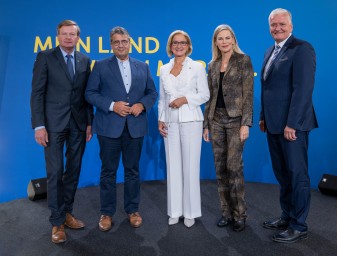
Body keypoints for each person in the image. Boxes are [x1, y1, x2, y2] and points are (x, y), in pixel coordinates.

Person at [85, 26, 157, 231]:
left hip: (135, 128)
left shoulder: (143, 66)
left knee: (132, 171)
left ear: (130, 42)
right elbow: (90, 93)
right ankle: (106, 213)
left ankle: (133, 210)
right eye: (116, 42)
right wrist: (111, 105)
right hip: (109, 127)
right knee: (108, 171)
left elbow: (152, 93)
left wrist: (142, 105)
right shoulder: (100, 66)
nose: (120, 45)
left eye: (124, 41)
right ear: (111, 45)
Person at [30, 20, 93, 244]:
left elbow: (86, 96)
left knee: (73, 171)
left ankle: (67, 212)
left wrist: (89, 122)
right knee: (55, 173)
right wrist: (39, 125)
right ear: (58, 36)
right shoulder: (45, 57)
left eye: (72, 34)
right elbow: (37, 93)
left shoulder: (85, 60)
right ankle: (56, 222)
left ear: (78, 37)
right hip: (52, 125)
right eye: (64, 34)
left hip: (78, 124)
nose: (68, 38)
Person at [260, 8, 318, 243]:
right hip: (273, 125)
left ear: (291, 26)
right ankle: (287, 215)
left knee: (297, 175)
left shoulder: (301, 49)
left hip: (293, 126)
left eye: (282, 24)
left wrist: (292, 123)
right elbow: (268, 89)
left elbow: (303, 89)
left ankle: (299, 224)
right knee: (283, 175)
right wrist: (263, 116)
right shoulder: (269, 51)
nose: (278, 28)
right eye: (274, 25)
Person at [203, 24, 254, 232]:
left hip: (235, 121)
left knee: (234, 167)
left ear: (233, 39)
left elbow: (248, 94)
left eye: (227, 38)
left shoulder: (243, 61)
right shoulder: (212, 65)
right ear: (215, 42)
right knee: (220, 168)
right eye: (220, 39)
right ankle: (226, 212)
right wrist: (206, 124)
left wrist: (245, 123)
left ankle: (239, 214)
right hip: (216, 120)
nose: (224, 42)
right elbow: (210, 97)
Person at [158, 30, 209, 228]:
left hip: (191, 121)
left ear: (188, 46)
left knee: (190, 167)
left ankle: (190, 212)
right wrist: (161, 119)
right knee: (173, 167)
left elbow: (204, 95)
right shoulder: (164, 68)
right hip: (170, 121)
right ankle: (175, 211)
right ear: (170, 46)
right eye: (175, 43)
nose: (179, 46)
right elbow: (162, 98)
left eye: (183, 43)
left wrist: (185, 99)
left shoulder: (196, 67)